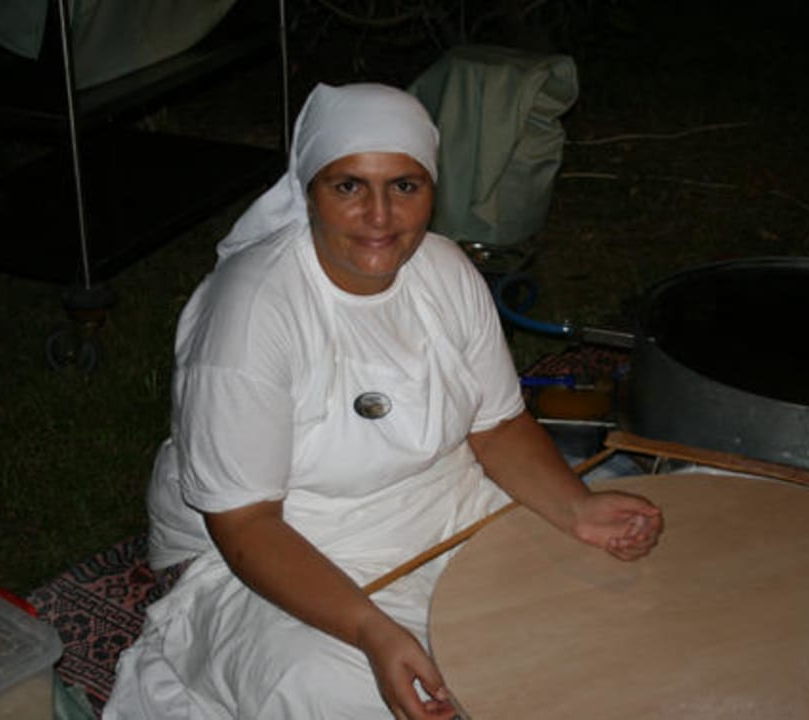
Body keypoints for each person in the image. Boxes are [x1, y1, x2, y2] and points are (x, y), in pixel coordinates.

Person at [103, 82, 662, 720]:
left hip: (450, 513)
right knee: (336, 690)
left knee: (617, 607)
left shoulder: (446, 270)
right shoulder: (252, 312)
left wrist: (577, 508)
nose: (380, 216)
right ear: (309, 190)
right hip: (288, 554)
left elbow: (499, 426)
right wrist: (371, 630)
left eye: (404, 185)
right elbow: (245, 524)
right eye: (349, 186)